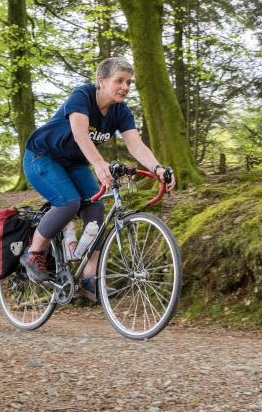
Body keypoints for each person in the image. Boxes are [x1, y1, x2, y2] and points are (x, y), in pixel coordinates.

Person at [20, 57, 176, 301]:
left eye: (129, 82)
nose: (125, 86)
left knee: (96, 206)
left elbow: (135, 144)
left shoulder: (120, 111)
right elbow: (80, 133)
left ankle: (88, 278)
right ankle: (34, 254)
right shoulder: (82, 95)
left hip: (74, 163)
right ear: (101, 81)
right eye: (120, 81)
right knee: (69, 202)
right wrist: (99, 164)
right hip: (43, 157)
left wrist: (157, 168)